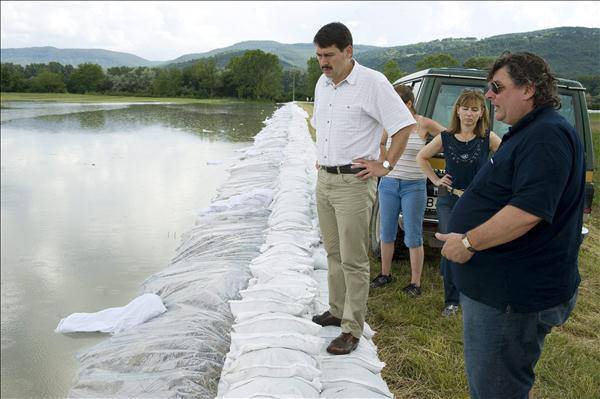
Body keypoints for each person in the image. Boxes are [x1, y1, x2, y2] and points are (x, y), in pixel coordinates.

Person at [436, 52, 584, 398]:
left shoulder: (546, 135)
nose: (489, 96)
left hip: (510, 297)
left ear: (528, 89)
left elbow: (527, 211)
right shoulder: (530, 131)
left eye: (497, 87)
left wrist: (469, 242)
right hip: (501, 290)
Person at [310, 22, 416, 355]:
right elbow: (323, 126)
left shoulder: (372, 83)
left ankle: (352, 328)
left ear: (348, 51)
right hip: (325, 179)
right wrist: (323, 158)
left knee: (354, 258)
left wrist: (385, 166)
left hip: (354, 183)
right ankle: (337, 309)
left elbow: (403, 125)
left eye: (329, 56)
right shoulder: (322, 84)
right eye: (318, 56)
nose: (323, 63)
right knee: (333, 252)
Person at [416, 90, 501, 315]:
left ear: (482, 112)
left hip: (477, 202)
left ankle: (475, 294)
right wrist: (435, 179)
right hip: (449, 199)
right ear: (457, 110)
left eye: (475, 109)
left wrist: (493, 181)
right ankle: (451, 301)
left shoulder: (488, 138)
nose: (469, 114)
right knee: (451, 244)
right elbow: (421, 157)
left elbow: (507, 159)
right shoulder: (445, 136)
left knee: (476, 244)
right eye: (465, 108)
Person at [370, 85, 445, 298]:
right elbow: (381, 142)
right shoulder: (390, 123)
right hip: (389, 184)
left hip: (414, 185)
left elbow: (448, 136)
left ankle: (415, 283)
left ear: (409, 103)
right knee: (386, 232)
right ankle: (385, 274)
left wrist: (431, 151)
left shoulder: (423, 123)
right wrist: (385, 161)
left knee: (413, 234)